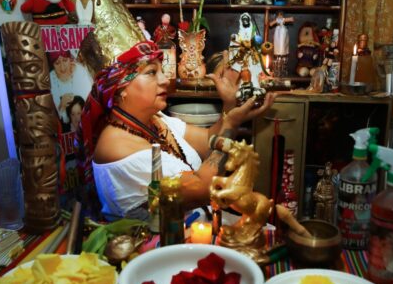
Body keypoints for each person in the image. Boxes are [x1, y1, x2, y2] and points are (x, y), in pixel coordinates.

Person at [80, 40, 275, 220]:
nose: (165, 80)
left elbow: (208, 140)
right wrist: (230, 124)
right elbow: (203, 189)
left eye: (161, 70)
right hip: (162, 241)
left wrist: (229, 106)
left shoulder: (155, 119)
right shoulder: (116, 145)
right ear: (120, 88)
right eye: (151, 72)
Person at [49, 51, 92, 124]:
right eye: (57, 63)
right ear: (52, 65)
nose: (62, 68)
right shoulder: (51, 79)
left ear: (70, 59)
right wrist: (61, 106)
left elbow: (90, 104)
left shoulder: (80, 71)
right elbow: (52, 118)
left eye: (65, 60)